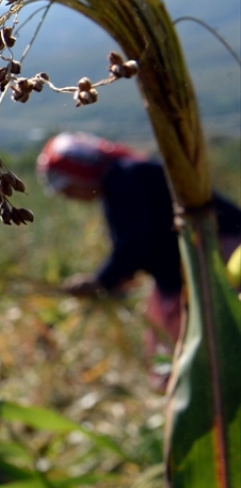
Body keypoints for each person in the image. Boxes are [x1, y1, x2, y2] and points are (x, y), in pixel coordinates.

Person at [36, 132, 241, 356]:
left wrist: (101, 280)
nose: (70, 197)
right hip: (182, 272)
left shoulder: (126, 178)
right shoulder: (120, 180)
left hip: (215, 256)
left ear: (81, 172)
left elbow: (136, 242)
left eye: (68, 189)